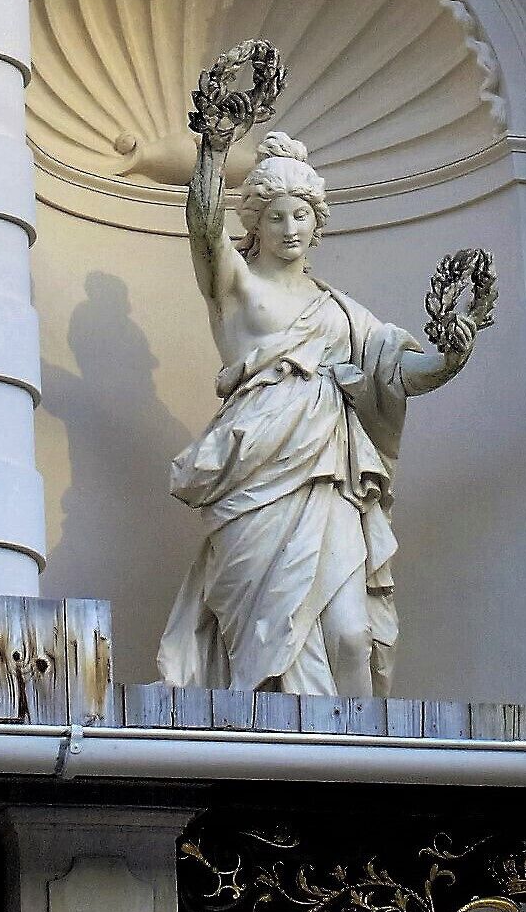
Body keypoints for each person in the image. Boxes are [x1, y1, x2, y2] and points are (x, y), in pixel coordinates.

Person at [158, 41, 493, 697]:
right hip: (257, 472)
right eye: (276, 215)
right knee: (270, 630)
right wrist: (213, 151)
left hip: (329, 475)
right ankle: (273, 732)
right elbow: (203, 227)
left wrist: (454, 352)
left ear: (317, 224)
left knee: (349, 635)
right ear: (256, 221)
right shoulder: (236, 285)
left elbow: (399, 370)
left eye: (302, 215)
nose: (290, 227)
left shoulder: (339, 311)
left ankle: (353, 744)